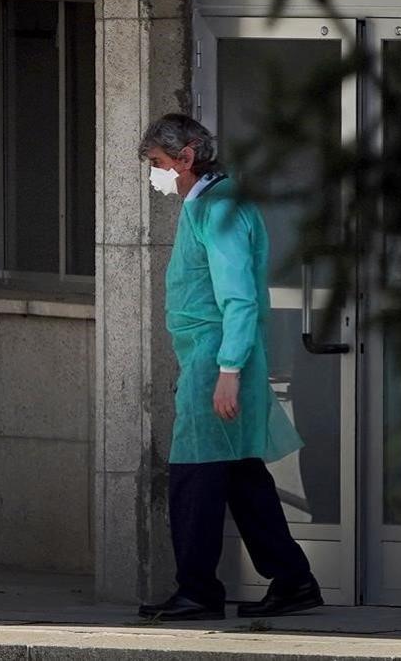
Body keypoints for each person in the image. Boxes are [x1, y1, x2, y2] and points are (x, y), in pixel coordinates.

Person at [136, 115, 322, 620]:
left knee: (193, 477)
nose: (155, 174)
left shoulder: (216, 210)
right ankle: (293, 580)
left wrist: (227, 371)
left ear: (186, 157)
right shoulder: (208, 205)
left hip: (214, 359)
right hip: (212, 355)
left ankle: (198, 590)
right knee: (241, 474)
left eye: (158, 164)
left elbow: (237, 298)